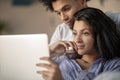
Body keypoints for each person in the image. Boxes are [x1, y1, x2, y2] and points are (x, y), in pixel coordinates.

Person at [36, 7, 120, 80]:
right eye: (75, 33)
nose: (77, 40)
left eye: (85, 33)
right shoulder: (62, 61)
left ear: (99, 35)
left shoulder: (113, 66)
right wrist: (51, 51)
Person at [39, 0, 120, 46]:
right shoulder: (61, 30)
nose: (63, 18)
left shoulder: (116, 21)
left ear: (82, 1)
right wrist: (51, 52)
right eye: (58, 13)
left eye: (66, 9)